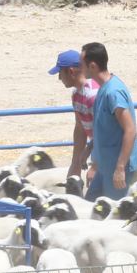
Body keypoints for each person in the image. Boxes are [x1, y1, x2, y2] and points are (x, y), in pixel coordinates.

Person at [80, 42, 137, 200]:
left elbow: (130, 129)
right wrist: (89, 149)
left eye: (82, 64)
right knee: (90, 209)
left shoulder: (113, 92)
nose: (80, 68)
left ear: (92, 66)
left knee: (114, 219)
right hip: (105, 167)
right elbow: (105, 128)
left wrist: (120, 169)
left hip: (118, 170)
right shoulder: (103, 88)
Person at [48, 49, 99, 182]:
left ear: (71, 72)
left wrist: (95, 166)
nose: (59, 78)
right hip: (101, 151)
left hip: (113, 155)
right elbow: (80, 128)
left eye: (60, 73)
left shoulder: (94, 94)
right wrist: (75, 164)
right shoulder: (76, 94)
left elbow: (107, 131)